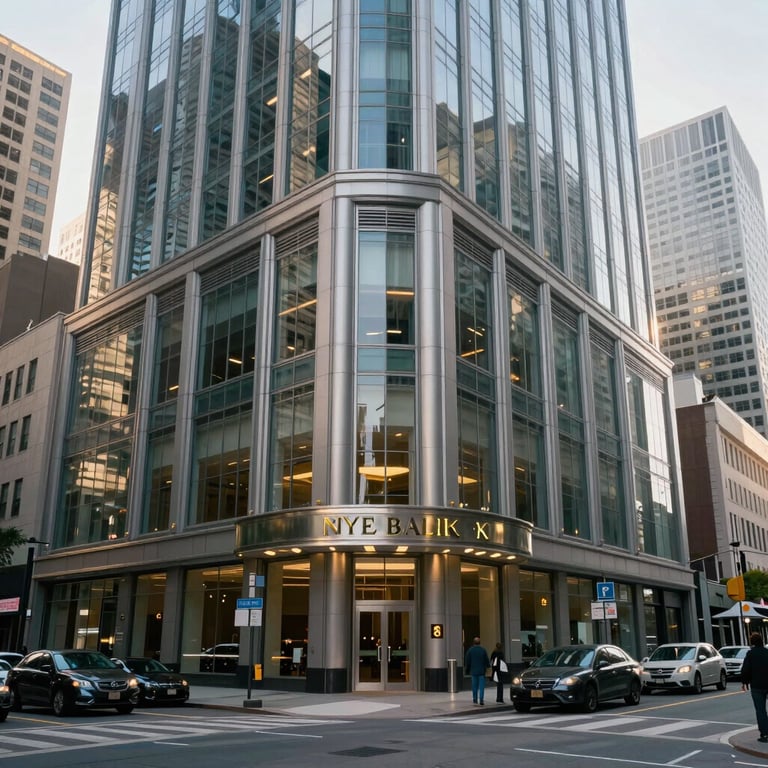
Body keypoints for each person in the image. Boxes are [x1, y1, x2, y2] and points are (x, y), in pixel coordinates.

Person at [741, 631, 768, 743]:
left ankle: (765, 734)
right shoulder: (767, 652)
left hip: (756, 685)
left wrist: (745, 682)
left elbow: (746, 669)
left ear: (752, 642)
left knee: (760, 710)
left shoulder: (750, 654)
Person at [464, 636, 491, 705]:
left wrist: (467, 669)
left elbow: (468, 661)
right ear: (479, 643)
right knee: (481, 687)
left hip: (473, 671)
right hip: (481, 671)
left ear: (473, 642)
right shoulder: (483, 650)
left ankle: (475, 699)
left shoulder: (470, 650)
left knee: (474, 686)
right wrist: (488, 667)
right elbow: (486, 660)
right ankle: (481, 699)